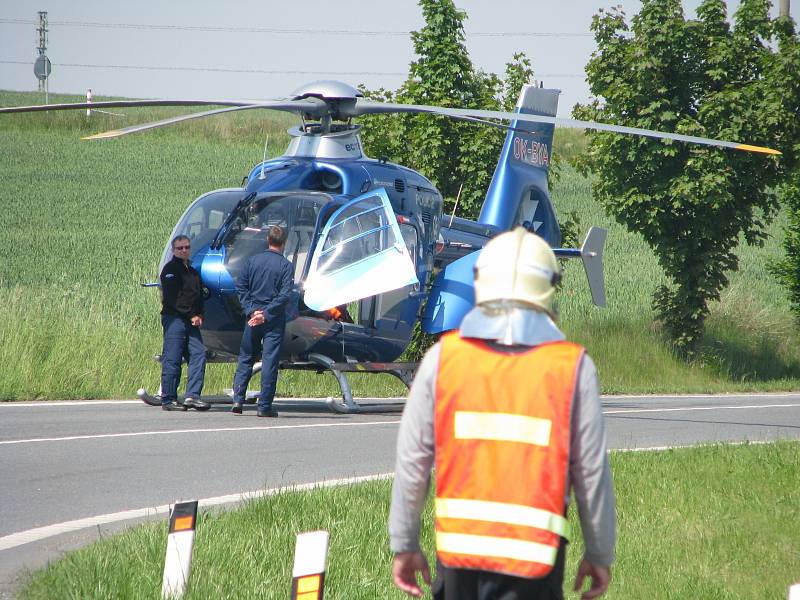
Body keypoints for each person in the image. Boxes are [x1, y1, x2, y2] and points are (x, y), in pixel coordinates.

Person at [389, 227, 616, 600]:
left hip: (459, 560)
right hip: (535, 565)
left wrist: (404, 542)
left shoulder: (442, 360)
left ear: (480, 283)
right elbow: (591, 472)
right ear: (548, 289)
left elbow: (412, 462)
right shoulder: (572, 369)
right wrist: (599, 552)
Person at [231, 225, 293, 417]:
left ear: (268, 240)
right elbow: (284, 296)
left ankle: (237, 400)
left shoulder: (252, 262)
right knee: (269, 361)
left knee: (246, 358)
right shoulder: (285, 266)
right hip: (272, 320)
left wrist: (252, 311)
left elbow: (241, 286)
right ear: (283, 243)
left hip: (252, 318)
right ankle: (264, 406)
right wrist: (265, 314)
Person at [159, 235, 209, 411]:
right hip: (175, 319)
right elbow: (174, 299)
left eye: (186, 247)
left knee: (198, 354)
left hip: (191, 320)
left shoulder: (192, 271)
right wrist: (191, 315)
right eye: (180, 248)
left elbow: (199, 296)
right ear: (174, 250)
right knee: (173, 357)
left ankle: (192, 396)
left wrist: (200, 314)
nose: (184, 250)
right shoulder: (170, 270)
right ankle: (168, 399)